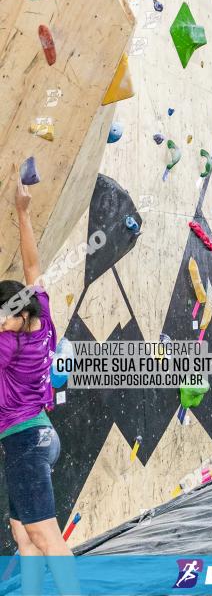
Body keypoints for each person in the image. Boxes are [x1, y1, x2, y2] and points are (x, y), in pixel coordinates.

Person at [0, 168, 77, 595]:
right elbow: (33, 267)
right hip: (40, 437)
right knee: (24, 533)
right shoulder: (41, 319)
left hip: (25, 442)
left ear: (18, 317)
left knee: (47, 538)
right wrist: (22, 212)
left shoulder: (7, 348)